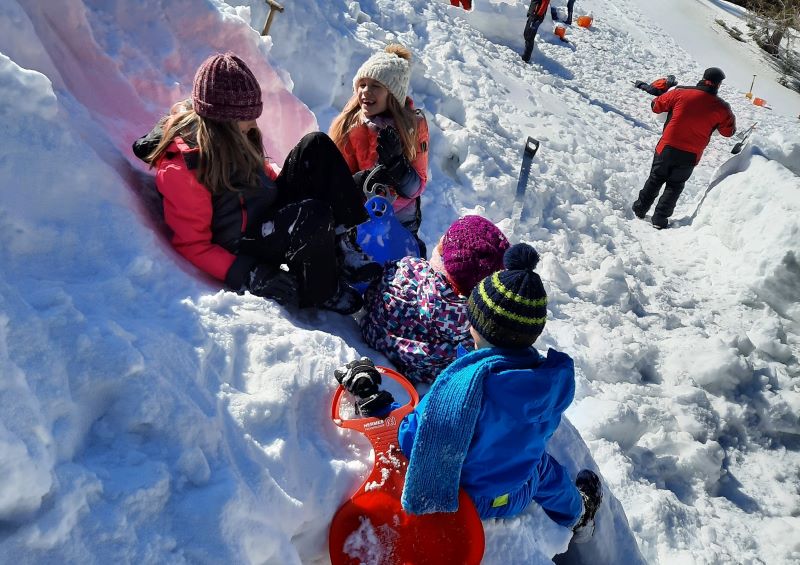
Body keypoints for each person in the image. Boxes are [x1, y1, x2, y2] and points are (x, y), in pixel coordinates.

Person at [334, 243, 604, 543]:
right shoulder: (550, 382)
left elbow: (414, 438)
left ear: (477, 326)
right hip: (514, 492)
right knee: (542, 467)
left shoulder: (462, 390)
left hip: (463, 496)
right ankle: (578, 513)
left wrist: (381, 404)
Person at [132, 52, 381, 314]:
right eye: (246, 117)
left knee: (315, 145)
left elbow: (260, 172)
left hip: (261, 210)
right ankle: (322, 290)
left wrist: (303, 182)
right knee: (312, 215)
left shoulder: (233, 135)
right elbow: (194, 245)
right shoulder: (183, 169)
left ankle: (343, 245)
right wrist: (249, 273)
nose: (253, 124)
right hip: (242, 242)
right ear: (221, 119)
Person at [360, 215, 510, 384]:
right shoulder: (474, 331)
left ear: (442, 257)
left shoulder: (407, 270)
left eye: (443, 242)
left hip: (373, 333)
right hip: (420, 373)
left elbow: (371, 294)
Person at [330, 44, 430, 256]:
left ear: (392, 94)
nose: (365, 91)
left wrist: (397, 166)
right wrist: (360, 183)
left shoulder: (414, 126)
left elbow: (416, 187)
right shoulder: (351, 125)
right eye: (362, 84)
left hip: (400, 219)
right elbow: (339, 180)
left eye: (376, 85)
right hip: (361, 216)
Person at [632, 67, 736, 229]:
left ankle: (639, 209)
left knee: (655, 178)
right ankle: (660, 220)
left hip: (667, 145)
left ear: (703, 78)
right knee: (675, 185)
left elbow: (656, 106)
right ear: (719, 85)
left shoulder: (681, 92)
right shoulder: (722, 107)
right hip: (691, 154)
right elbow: (728, 132)